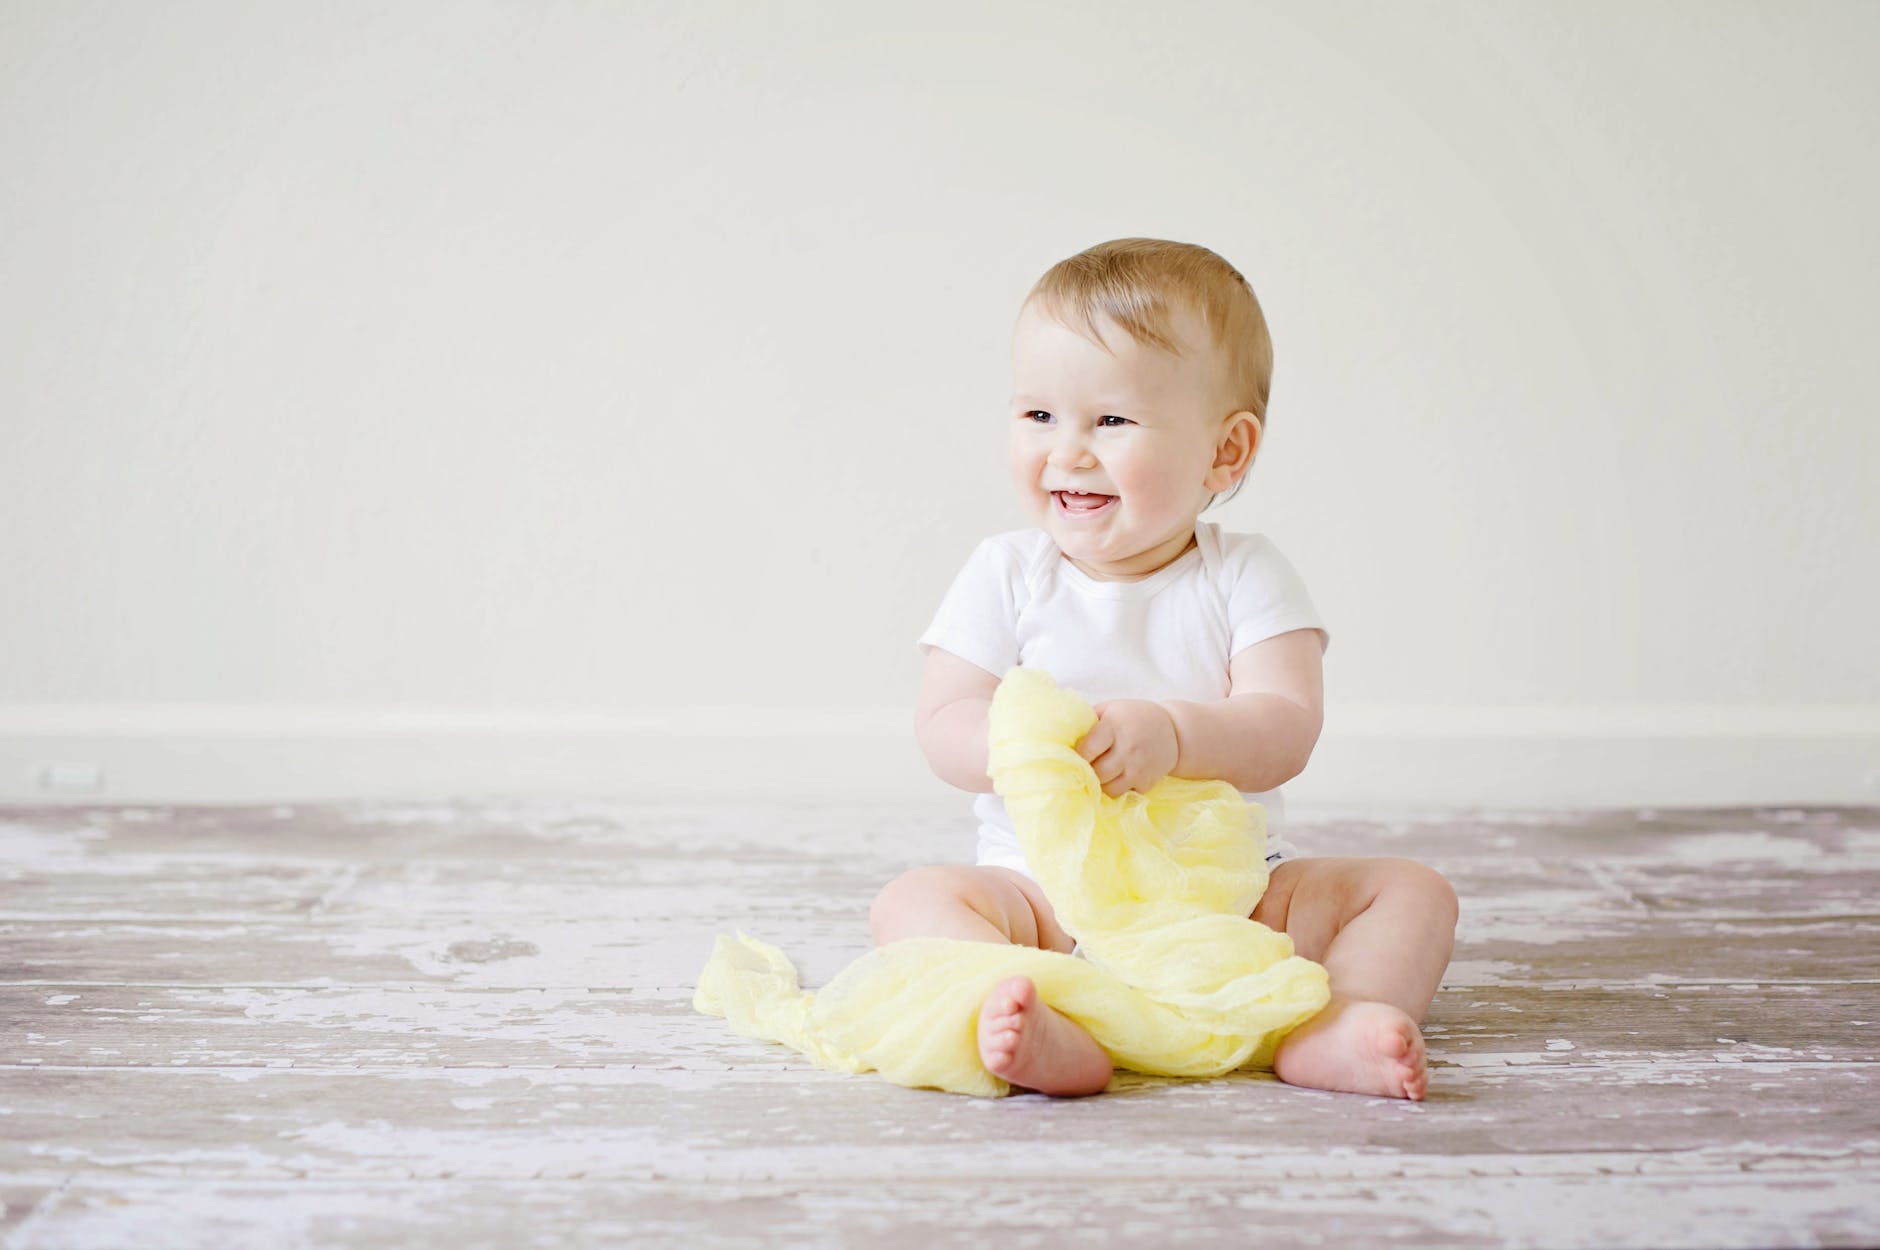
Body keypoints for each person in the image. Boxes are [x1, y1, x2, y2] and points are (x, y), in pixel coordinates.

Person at [871, 238, 1459, 1100]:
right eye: (1038, 415)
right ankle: (1048, 1018)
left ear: (1226, 452)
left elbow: (1285, 725)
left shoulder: (1244, 574)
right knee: (911, 903)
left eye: (1110, 421)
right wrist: (1028, 751)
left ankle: (1341, 1022)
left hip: (1227, 901)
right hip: (1043, 897)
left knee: (1414, 892)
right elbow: (943, 720)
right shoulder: (1006, 573)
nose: (1067, 451)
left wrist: (1176, 734)